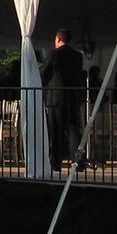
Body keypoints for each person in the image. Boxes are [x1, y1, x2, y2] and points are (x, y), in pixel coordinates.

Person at [41, 28, 87, 173]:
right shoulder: (77, 56)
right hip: (73, 96)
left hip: (56, 97)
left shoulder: (53, 54)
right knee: (73, 129)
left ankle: (55, 162)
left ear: (58, 39)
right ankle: (78, 160)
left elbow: (44, 72)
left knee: (56, 130)